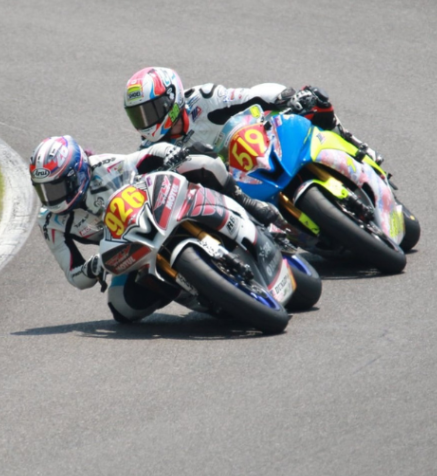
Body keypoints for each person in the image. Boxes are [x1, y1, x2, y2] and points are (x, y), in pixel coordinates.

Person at [29, 134, 287, 323]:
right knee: (122, 307)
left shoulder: (104, 166)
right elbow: (74, 275)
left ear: (78, 174)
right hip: (132, 247)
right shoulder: (51, 222)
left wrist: (170, 154)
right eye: (43, 190)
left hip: (160, 207)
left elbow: (148, 155)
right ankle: (205, 294)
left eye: (56, 188)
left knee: (203, 163)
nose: (51, 198)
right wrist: (94, 267)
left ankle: (251, 207)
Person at [122, 66, 384, 165]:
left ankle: (357, 147)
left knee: (315, 104)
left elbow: (251, 96)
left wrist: (286, 97)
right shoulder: (151, 149)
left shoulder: (203, 99)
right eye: (138, 116)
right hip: (232, 188)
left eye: (149, 111)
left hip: (261, 146)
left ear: (172, 98)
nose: (146, 121)